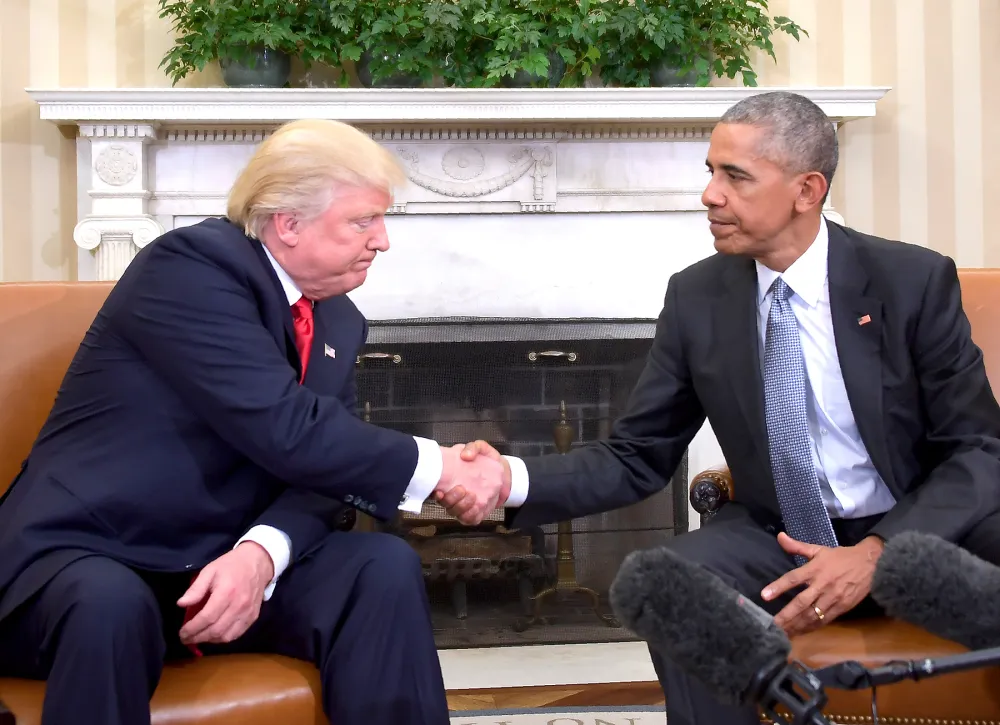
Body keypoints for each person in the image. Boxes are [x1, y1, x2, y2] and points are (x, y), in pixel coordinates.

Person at [439, 91, 1000, 725]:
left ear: (806, 189)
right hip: (781, 539)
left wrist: (877, 553)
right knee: (672, 582)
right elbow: (636, 455)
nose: (710, 194)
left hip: (918, 530)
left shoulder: (911, 282)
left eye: (735, 176)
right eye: (711, 171)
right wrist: (507, 477)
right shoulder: (696, 297)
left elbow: (978, 449)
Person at [0, 118, 508, 725]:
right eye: (363, 221)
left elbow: (325, 471)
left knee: (380, 567)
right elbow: (287, 427)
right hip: (93, 552)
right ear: (287, 224)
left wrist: (260, 555)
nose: (383, 241)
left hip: (218, 568)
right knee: (108, 603)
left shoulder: (339, 320)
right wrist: (440, 466)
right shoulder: (189, 269)